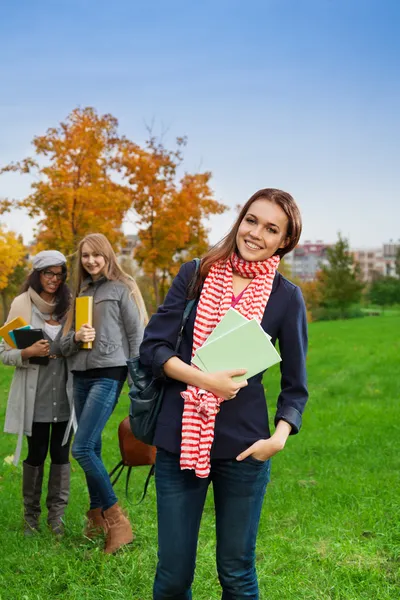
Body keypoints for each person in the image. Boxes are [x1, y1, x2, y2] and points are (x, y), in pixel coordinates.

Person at [139, 188, 309, 599]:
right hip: (180, 441)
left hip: (245, 448)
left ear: (284, 241)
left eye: (271, 229)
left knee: (236, 573)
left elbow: (296, 385)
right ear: (240, 220)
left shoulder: (286, 297)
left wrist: (277, 440)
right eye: (251, 220)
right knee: (173, 576)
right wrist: (204, 380)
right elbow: (153, 347)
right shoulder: (195, 273)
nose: (256, 234)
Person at [60, 233, 147, 554]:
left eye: (96, 255)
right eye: (85, 256)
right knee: (92, 446)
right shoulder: (80, 293)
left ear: (107, 256)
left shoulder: (122, 288)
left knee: (81, 449)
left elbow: (137, 335)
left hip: (109, 374)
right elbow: (63, 344)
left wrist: (139, 383)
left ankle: (118, 522)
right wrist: (75, 336)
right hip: (80, 375)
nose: (91, 261)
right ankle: (97, 519)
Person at [0, 250, 74, 536]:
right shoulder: (21, 305)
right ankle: (31, 518)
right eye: (48, 273)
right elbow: (4, 352)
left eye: (59, 274)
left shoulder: (70, 305)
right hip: (36, 392)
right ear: (37, 274)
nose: (54, 279)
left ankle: (56, 520)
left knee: (61, 453)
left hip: (65, 392)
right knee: (37, 452)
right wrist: (27, 352)